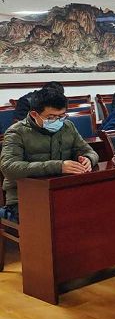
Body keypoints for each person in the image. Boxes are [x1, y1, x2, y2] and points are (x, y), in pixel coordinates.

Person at [0, 87, 100, 223]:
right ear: (34, 114)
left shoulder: (67, 126)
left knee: (94, 212)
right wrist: (58, 166)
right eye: (51, 117)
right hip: (24, 197)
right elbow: (9, 167)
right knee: (59, 221)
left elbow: (89, 151)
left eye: (61, 116)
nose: (57, 121)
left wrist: (88, 159)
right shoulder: (16, 132)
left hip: (61, 192)